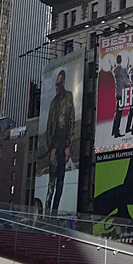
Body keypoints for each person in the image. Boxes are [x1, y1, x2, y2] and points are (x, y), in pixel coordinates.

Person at [44, 68, 78, 214]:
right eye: (55, 85)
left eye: (59, 84)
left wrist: (68, 146)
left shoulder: (69, 97)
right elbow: (49, 126)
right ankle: (46, 215)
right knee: (51, 185)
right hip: (54, 147)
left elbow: (71, 120)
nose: (57, 87)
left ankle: (54, 214)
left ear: (63, 83)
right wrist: (51, 148)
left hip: (64, 147)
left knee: (60, 184)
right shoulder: (53, 103)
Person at [109, 55, 130, 139]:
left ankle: (114, 130)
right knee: (119, 112)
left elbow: (111, 69)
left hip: (117, 93)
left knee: (117, 112)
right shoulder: (122, 70)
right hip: (122, 93)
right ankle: (116, 132)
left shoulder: (115, 70)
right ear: (121, 60)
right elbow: (126, 80)